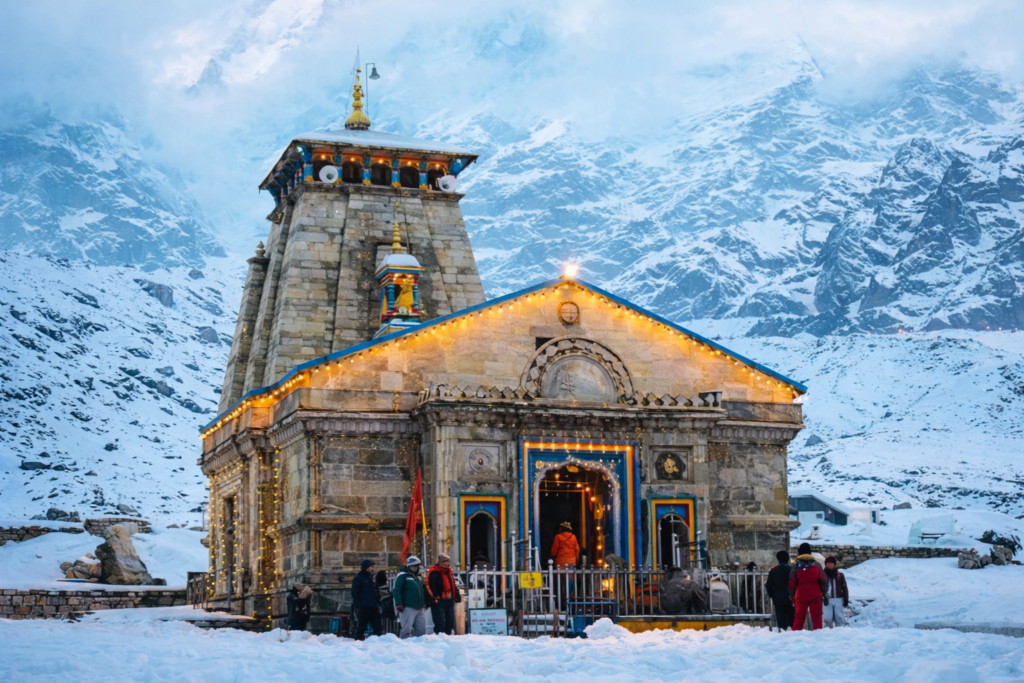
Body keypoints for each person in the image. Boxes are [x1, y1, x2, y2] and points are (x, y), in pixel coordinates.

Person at [789, 542, 827, 631]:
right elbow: (824, 580)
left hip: (801, 594)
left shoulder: (796, 566)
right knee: (817, 617)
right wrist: (824, 592)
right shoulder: (817, 565)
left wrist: (792, 594)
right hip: (816, 594)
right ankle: (818, 635)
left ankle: (796, 635)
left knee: (799, 617)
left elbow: (792, 582)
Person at [393, 555, 428, 639]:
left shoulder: (417, 577)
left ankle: (418, 647)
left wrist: (427, 600)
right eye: (414, 566)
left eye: (417, 566)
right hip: (408, 607)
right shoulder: (402, 576)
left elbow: (423, 589)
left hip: (420, 607)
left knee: (421, 630)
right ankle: (404, 646)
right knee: (406, 630)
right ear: (409, 566)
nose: (416, 568)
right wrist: (398, 603)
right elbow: (396, 590)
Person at [426, 552, 461, 635]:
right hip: (438, 600)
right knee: (439, 622)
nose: (448, 563)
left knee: (450, 621)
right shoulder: (434, 572)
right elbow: (431, 585)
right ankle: (439, 638)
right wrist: (435, 596)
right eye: (446, 561)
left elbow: (452, 584)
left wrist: (456, 594)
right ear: (441, 563)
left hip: (449, 599)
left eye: (448, 561)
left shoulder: (448, 572)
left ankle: (447, 636)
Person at [350, 559, 383, 640]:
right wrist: (357, 605)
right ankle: (358, 642)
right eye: (372, 566)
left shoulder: (372, 577)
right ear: (367, 567)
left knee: (378, 627)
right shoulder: (358, 578)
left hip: (374, 606)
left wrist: (378, 601)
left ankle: (377, 641)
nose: (373, 568)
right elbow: (354, 592)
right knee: (361, 627)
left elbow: (376, 590)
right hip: (364, 606)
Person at [765, 550, 794, 632]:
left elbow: (768, 585)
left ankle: (782, 635)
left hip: (778, 597)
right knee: (792, 619)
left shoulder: (774, 571)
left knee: (781, 621)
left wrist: (773, 595)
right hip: (791, 597)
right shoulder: (792, 569)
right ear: (788, 558)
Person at [822, 556, 849, 628]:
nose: (830, 564)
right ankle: (828, 632)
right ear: (825, 564)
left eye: (831, 563)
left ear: (834, 564)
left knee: (839, 617)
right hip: (827, 599)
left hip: (838, 599)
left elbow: (845, 588)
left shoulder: (840, 575)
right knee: (827, 617)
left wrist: (846, 599)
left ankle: (840, 631)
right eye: (828, 563)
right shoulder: (822, 574)